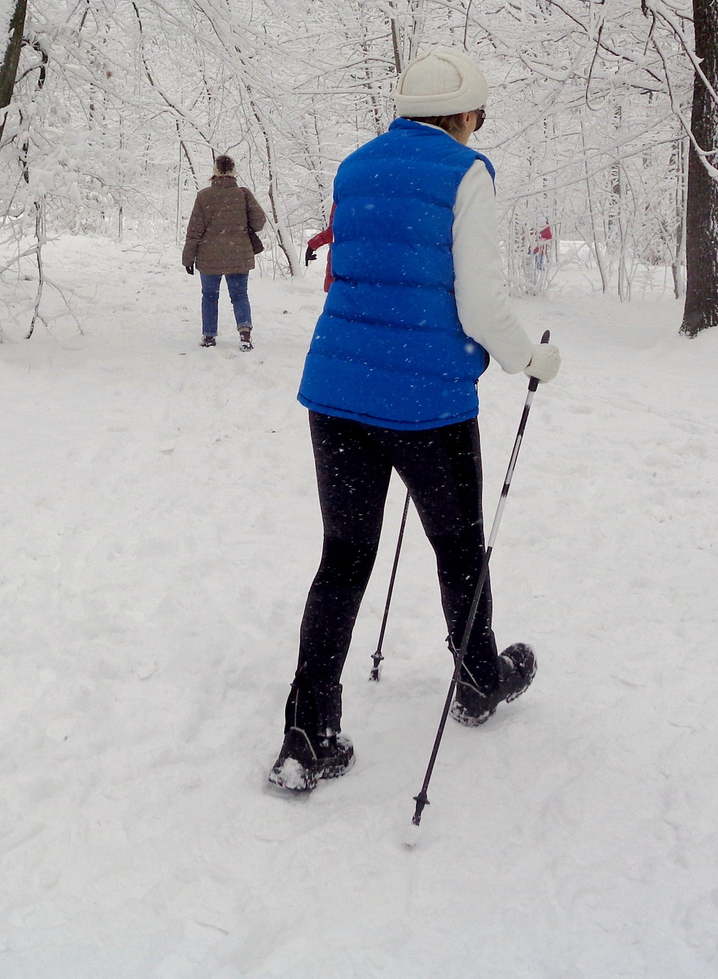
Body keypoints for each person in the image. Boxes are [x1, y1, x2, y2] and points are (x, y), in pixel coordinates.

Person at [269, 48, 562, 793]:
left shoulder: (354, 166)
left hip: (336, 390)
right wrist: (528, 358)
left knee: (344, 558)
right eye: (478, 117)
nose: (476, 130)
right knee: (460, 547)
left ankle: (307, 733)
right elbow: (480, 303)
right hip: (425, 403)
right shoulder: (467, 173)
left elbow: (344, 274)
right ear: (465, 115)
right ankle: (477, 682)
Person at [182, 154, 267, 350]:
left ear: (215, 172)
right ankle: (245, 335)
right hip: (238, 253)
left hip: (208, 256)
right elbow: (259, 222)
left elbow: (194, 229)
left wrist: (188, 257)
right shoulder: (243, 194)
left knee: (210, 295)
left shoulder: (204, 196)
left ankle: (209, 336)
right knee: (239, 295)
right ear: (233, 172)